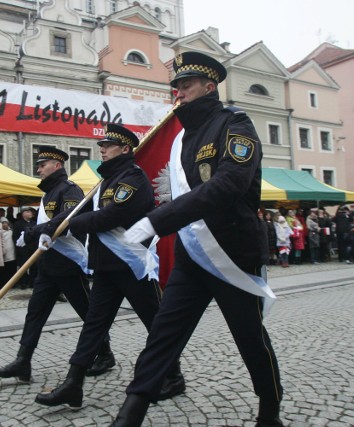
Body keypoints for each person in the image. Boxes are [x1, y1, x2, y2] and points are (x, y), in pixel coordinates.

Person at [110, 52, 283, 426]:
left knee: (249, 337)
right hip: (193, 253)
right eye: (176, 86)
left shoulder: (234, 124)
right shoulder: (182, 138)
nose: (179, 92)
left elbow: (229, 184)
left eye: (186, 84)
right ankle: (130, 413)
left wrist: (157, 221)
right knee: (163, 334)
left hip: (232, 251)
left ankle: (270, 411)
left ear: (209, 86)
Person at [34, 126, 183, 409]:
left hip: (131, 265)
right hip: (105, 266)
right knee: (93, 326)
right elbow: (79, 211)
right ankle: (73, 384)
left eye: (108, 145)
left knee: (156, 324)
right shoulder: (106, 181)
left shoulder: (133, 178)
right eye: (101, 144)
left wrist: (69, 225)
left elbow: (112, 215)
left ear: (125, 149)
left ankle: (174, 376)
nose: (101, 148)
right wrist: (48, 227)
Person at [0, 146, 115, 383]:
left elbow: (70, 218)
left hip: (68, 264)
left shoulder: (69, 190)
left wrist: (36, 230)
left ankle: (105, 353)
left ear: (56, 166)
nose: (38, 169)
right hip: (48, 266)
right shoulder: (48, 193)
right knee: (34, 313)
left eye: (42, 165)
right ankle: (23, 361)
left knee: (88, 313)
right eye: (38, 165)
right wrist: (34, 232)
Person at [12, 207, 38, 288]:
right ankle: (23, 282)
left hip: (33, 248)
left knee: (34, 266)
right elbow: (15, 236)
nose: (31, 214)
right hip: (23, 248)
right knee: (23, 266)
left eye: (31, 212)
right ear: (24, 213)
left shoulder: (35, 223)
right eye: (29, 212)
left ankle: (32, 281)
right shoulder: (17, 224)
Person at [0, 217, 17, 288]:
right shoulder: (0, 232)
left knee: (11, 268)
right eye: (3, 223)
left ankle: (12, 283)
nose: (5, 224)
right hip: (3, 252)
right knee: (4, 270)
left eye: (6, 223)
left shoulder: (11, 231)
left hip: (11, 252)